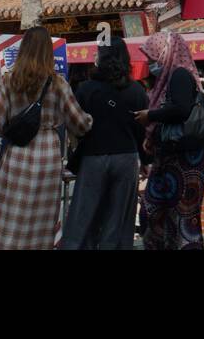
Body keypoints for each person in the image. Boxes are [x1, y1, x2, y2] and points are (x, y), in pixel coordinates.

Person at [0, 28, 92, 250]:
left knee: (10, 213)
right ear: (49, 52)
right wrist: (93, 119)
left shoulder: (9, 81)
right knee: (40, 219)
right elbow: (80, 123)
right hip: (48, 156)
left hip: (17, 154)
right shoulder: (58, 84)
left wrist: (14, 129)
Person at [64, 37, 148, 250]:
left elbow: (76, 125)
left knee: (84, 216)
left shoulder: (86, 89)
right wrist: (146, 160)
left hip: (94, 156)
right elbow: (142, 131)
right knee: (119, 219)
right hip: (126, 158)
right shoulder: (137, 91)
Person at [133, 31, 204, 249]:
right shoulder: (168, 78)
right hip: (171, 156)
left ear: (165, 53)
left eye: (152, 57)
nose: (150, 62)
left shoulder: (179, 76)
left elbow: (181, 109)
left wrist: (151, 115)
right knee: (159, 213)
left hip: (185, 158)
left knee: (182, 216)